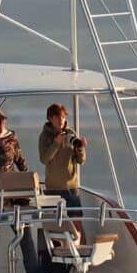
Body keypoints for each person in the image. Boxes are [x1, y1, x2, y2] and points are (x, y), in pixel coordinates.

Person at [0, 108, 42, 273]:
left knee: (23, 228)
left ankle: (33, 268)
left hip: (12, 190)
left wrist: (29, 181)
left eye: (2, 121)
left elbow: (20, 160)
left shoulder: (12, 138)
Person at [38, 102, 87, 239]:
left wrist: (81, 148)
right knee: (55, 228)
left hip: (71, 188)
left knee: (77, 225)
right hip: (53, 189)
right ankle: (59, 256)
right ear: (50, 118)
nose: (61, 121)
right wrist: (56, 144)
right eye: (57, 117)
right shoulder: (44, 137)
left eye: (63, 117)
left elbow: (81, 160)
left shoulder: (71, 134)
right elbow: (44, 159)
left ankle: (79, 253)